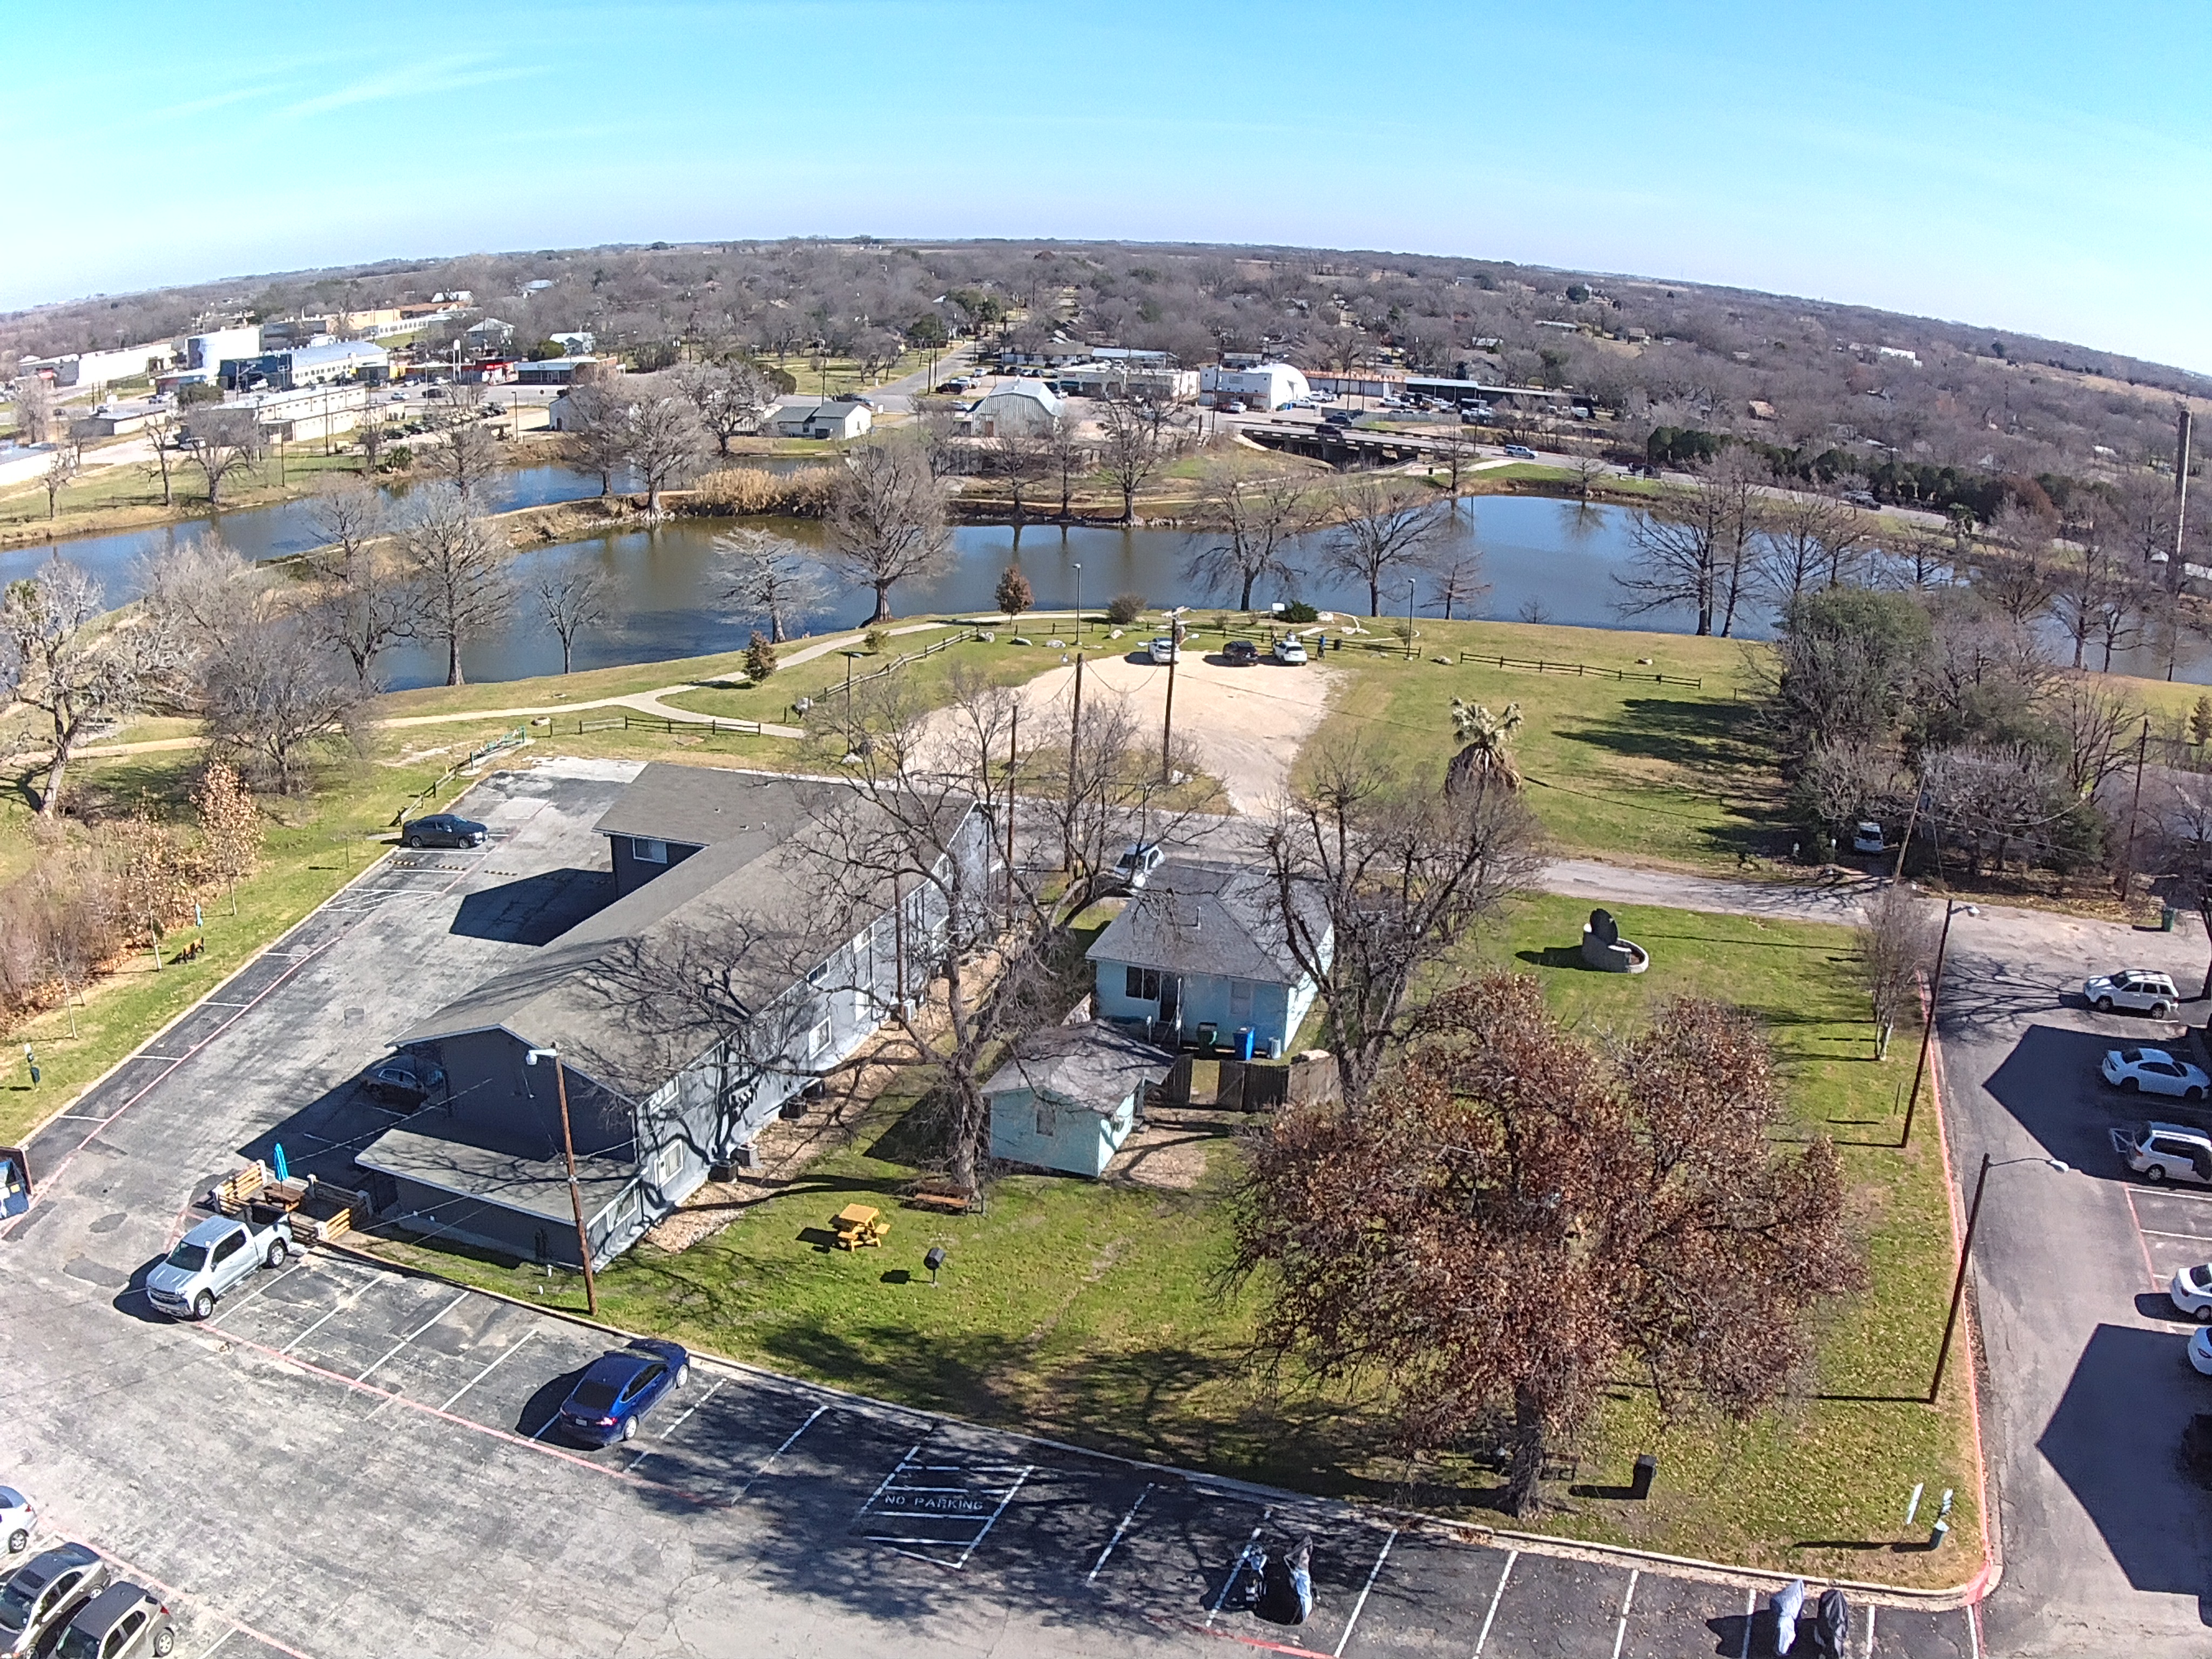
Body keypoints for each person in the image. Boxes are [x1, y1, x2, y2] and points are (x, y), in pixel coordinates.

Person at [1252, 1534, 1313, 1626]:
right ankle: (1303, 1551)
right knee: (1301, 1577)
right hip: (1296, 1613)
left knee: (1300, 1577)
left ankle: (1303, 1550)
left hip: (1295, 1612)